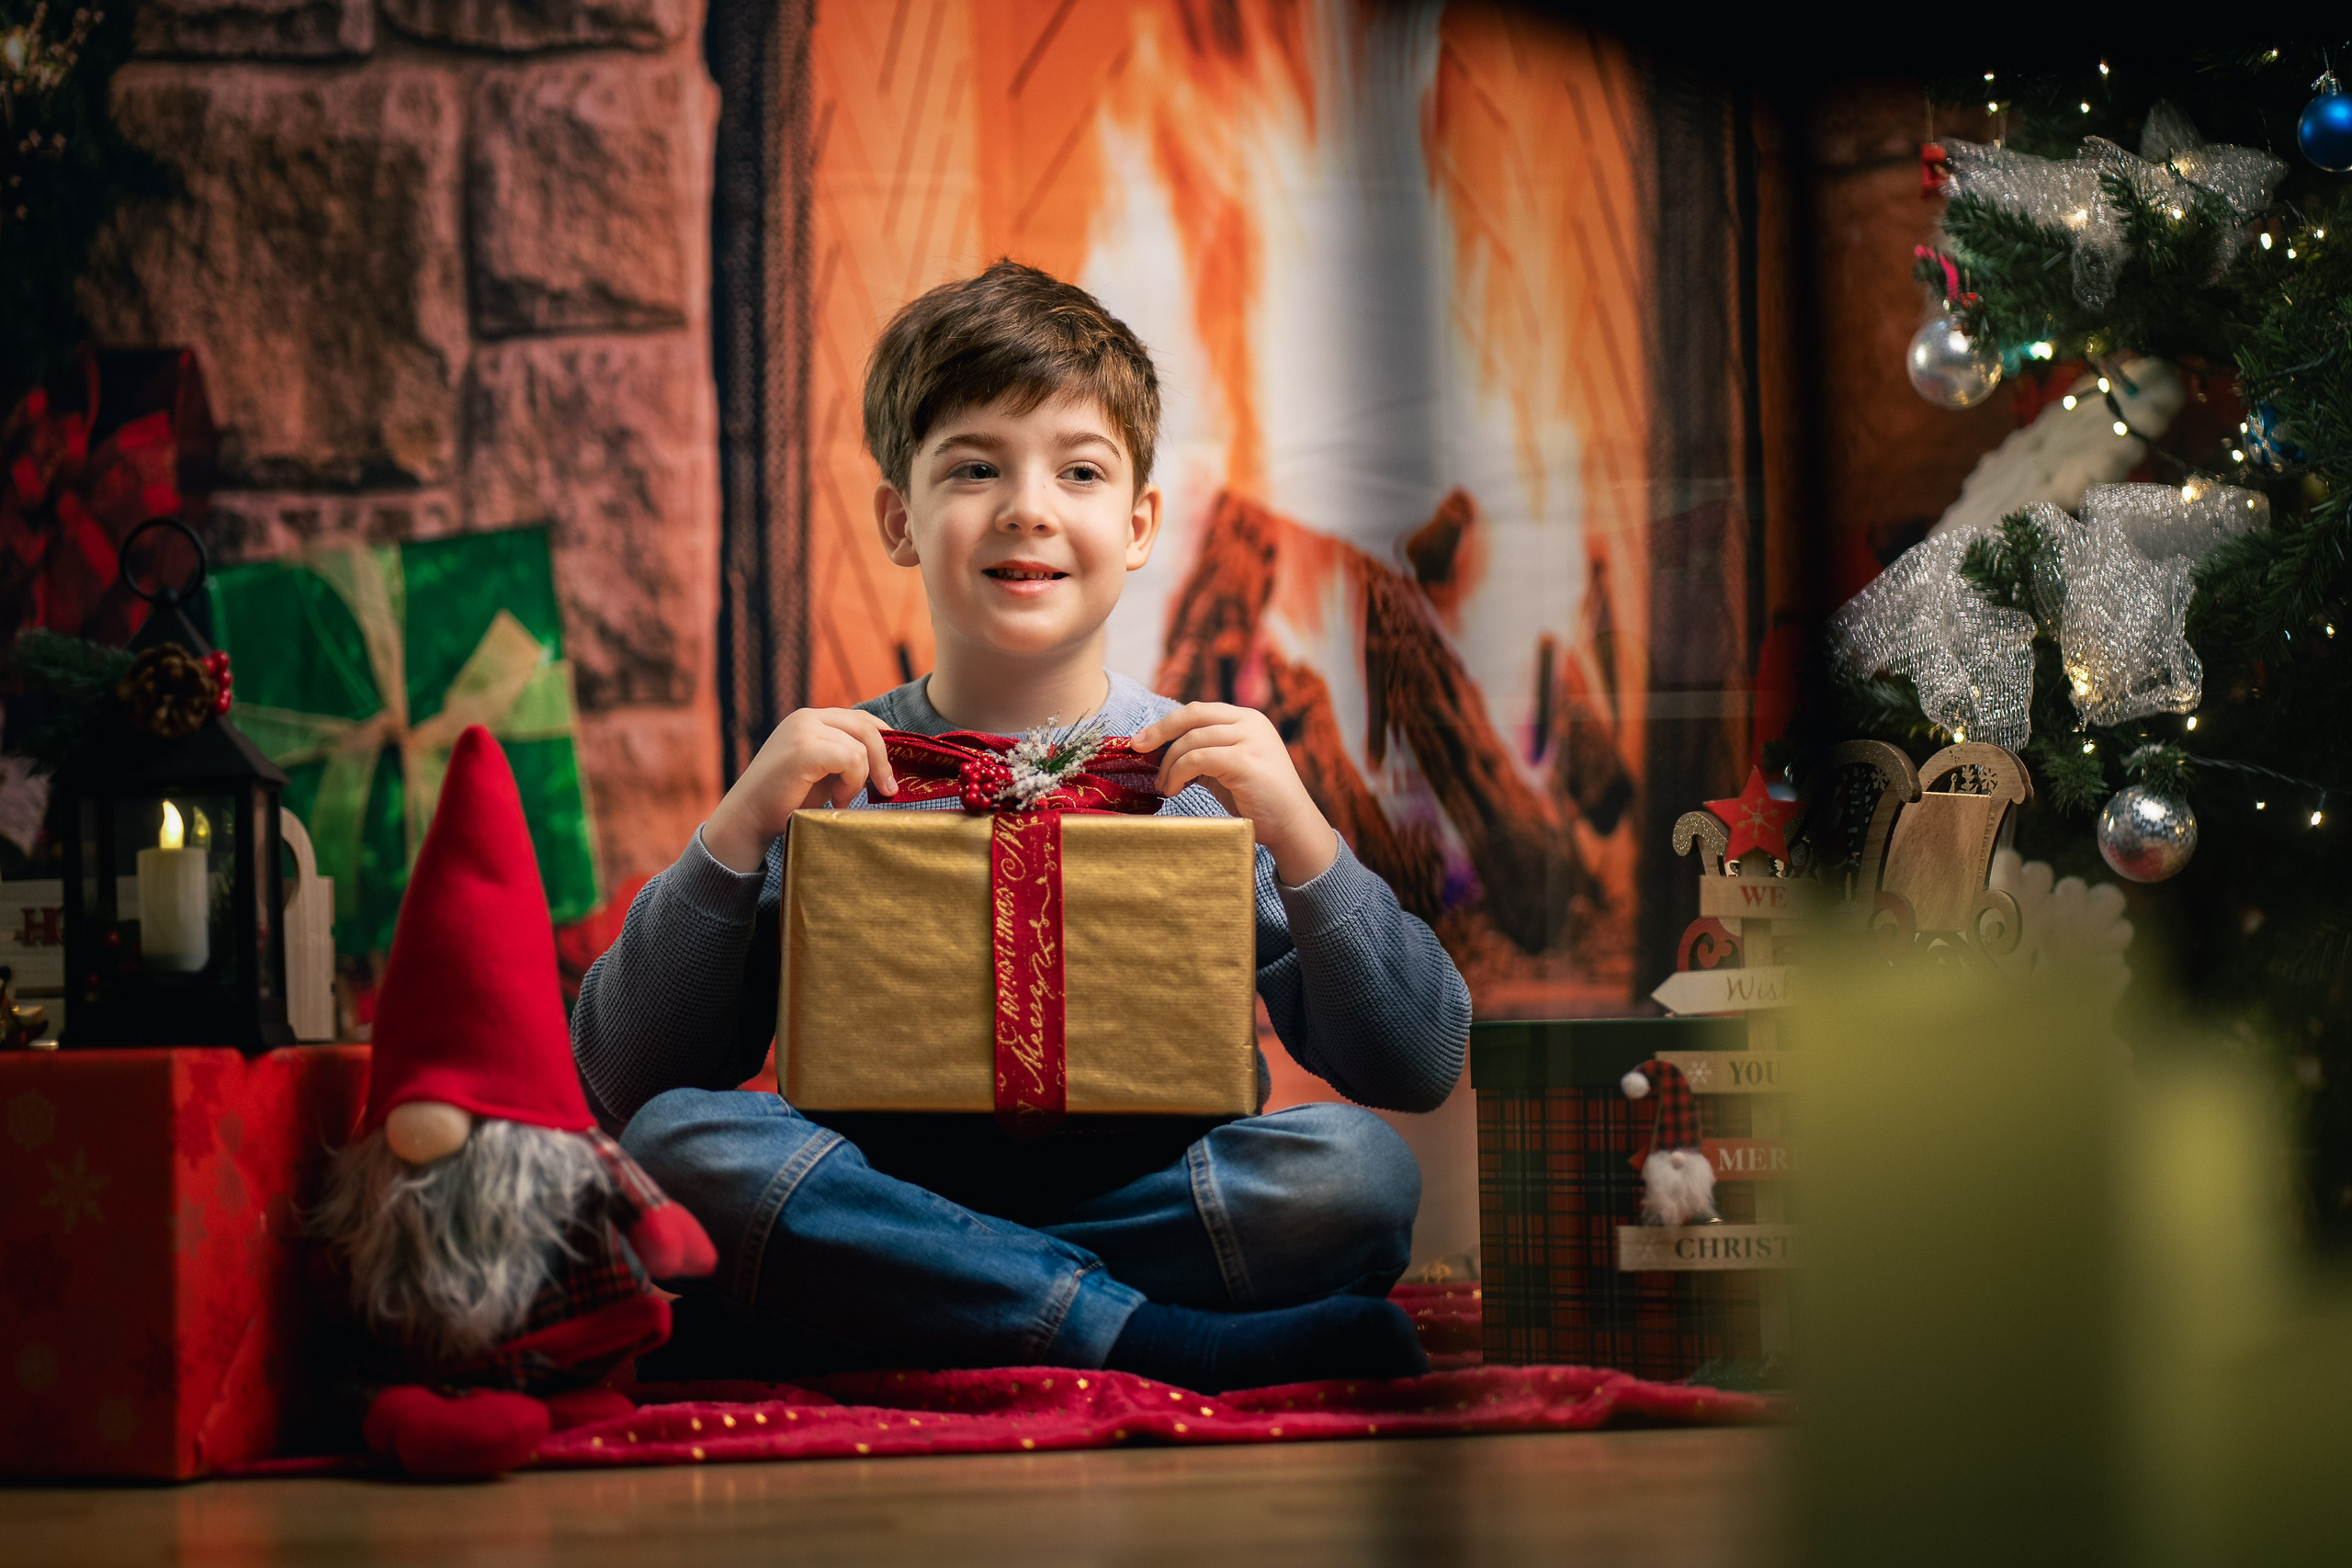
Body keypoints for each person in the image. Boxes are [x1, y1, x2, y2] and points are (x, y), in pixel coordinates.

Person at [574, 260, 1473, 1393]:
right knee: (682, 1152)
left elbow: (1420, 1057)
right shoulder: (836, 775)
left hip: (1144, 1200)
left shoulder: (1200, 775)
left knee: (1357, 1175)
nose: (1027, 507)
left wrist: (1302, 838)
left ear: (1140, 525)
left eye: (1080, 470)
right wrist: (735, 833)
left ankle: (887, 1308)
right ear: (899, 520)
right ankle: (1145, 1340)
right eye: (974, 468)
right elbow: (621, 1076)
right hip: (881, 1184)